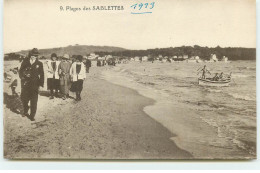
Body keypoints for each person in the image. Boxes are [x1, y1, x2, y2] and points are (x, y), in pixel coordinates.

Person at [19, 48, 44, 121]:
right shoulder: (25, 62)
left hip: (35, 84)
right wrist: (23, 76)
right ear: (30, 54)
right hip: (25, 84)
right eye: (33, 55)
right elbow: (20, 71)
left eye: (36, 55)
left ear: (37, 56)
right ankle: (26, 109)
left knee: (34, 100)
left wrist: (41, 84)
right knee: (24, 99)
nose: (34, 56)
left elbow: (42, 74)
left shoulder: (39, 64)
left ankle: (32, 115)